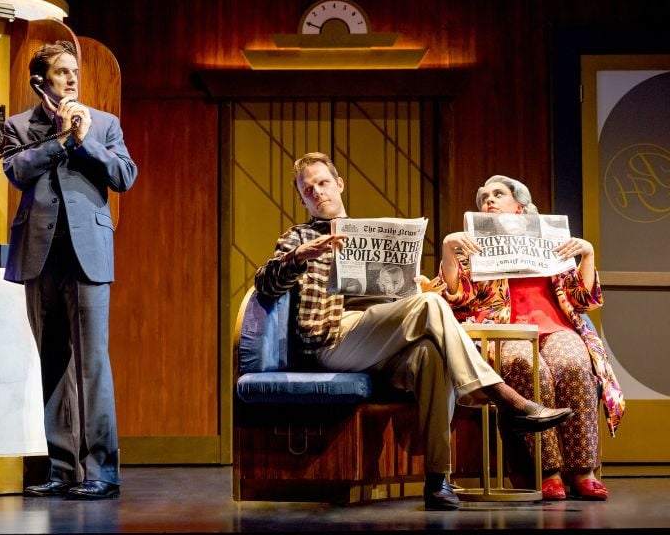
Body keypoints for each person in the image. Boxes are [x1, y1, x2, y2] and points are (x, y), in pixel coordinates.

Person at [254, 153, 573, 511]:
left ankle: (438, 481)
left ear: (339, 184)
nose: (317, 192)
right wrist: (298, 257)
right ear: (301, 199)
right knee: (432, 307)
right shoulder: (298, 237)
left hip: (384, 337)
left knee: (431, 357)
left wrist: (413, 285)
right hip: (332, 338)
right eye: (307, 189)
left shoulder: (367, 232)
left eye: (323, 183)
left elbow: (399, 297)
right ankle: (505, 398)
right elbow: (264, 286)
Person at [3, 40, 138, 500]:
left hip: (89, 254)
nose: (73, 79)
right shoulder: (19, 125)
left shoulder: (104, 124)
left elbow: (124, 175)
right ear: (40, 81)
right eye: (62, 72)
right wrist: (60, 140)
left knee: (92, 363)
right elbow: (17, 171)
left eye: (75, 71)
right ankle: (62, 469)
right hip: (40, 254)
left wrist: (82, 141)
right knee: (52, 362)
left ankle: (104, 471)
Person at [439, 175, 625, 501]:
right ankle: (547, 471)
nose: (489, 201)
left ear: (520, 206)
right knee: (527, 367)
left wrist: (587, 255)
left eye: (498, 194)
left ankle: (583, 471)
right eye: (484, 198)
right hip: (504, 330)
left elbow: (583, 301)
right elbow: (458, 300)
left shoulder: (549, 242)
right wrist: (449, 252)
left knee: (573, 364)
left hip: (555, 327)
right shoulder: (475, 247)